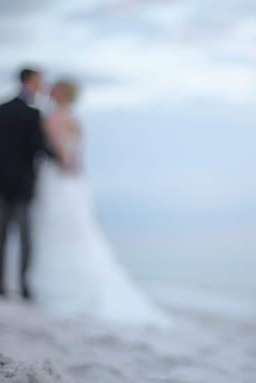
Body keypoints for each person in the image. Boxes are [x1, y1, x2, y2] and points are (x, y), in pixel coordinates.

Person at [30, 80, 170, 327]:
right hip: (74, 181)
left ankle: (61, 289)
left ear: (60, 93)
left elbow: (63, 153)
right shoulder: (73, 119)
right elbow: (76, 154)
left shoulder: (53, 117)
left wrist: (63, 166)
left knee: (59, 232)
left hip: (59, 178)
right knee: (74, 233)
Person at [0, 67, 54, 299]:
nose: (41, 86)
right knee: (25, 239)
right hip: (22, 187)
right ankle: (24, 286)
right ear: (30, 82)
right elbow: (40, 148)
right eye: (39, 82)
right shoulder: (33, 115)